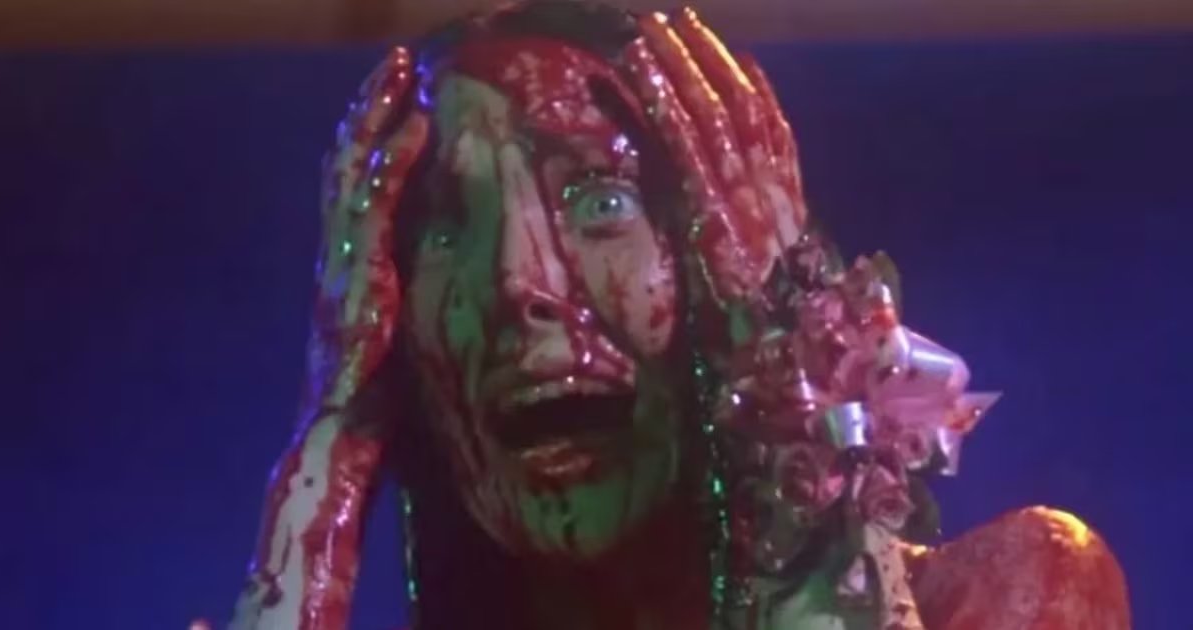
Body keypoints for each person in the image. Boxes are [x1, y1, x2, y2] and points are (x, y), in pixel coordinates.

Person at [227, 2, 1130, 629]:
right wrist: (335, 436)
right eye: (442, 227)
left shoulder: (1013, 596)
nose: (516, 282)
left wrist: (788, 378)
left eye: (602, 201)